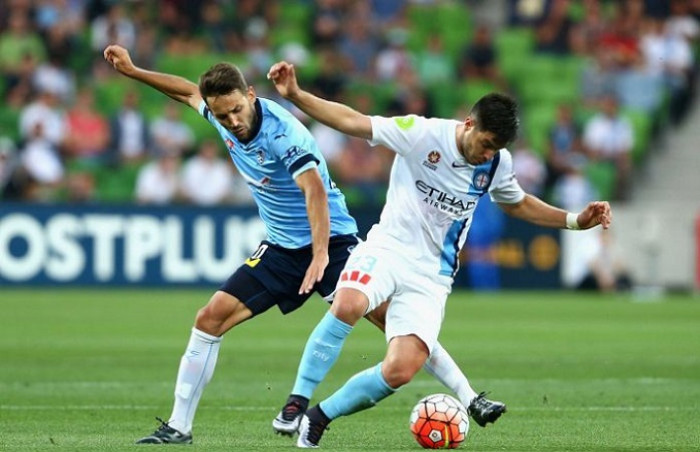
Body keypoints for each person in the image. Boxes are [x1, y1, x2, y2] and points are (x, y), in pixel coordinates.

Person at [102, 44, 486, 445]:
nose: (231, 121)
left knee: (396, 323)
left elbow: (314, 191)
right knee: (209, 318)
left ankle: (468, 395)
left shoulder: (283, 133)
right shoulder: (218, 114)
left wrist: (320, 255)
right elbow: (185, 91)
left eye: (236, 109)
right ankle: (179, 427)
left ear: (250, 94)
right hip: (283, 249)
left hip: (333, 243)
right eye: (222, 115)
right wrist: (132, 70)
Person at [267, 61, 612, 448]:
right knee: (349, 302)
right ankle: (296, 403)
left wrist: (574, 221)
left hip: (432, 274)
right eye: (485, 143)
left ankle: (319, 416)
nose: (487, 154)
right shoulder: (423, 134)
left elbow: (516, 203)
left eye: (496, 148)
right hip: (388, 248)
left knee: (400, 369)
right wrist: (296, 95)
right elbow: (353, 121)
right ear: (469, 123)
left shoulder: (497, 163)